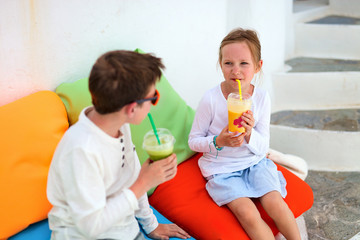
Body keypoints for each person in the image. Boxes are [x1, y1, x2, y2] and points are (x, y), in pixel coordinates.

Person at [47, 50, 190, 240]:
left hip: (126, 231)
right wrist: (144, 183)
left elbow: (131, 174)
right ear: (131, 109)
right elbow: (90, 227)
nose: (154, 103)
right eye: (153, 97)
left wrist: (151, 224)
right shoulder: (81, 150)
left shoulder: (120, 124)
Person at [188, 28, 300, 240]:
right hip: (222, 169)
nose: (235, 71)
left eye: (244, 63)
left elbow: (262, 146)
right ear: (220, 65)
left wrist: (249, 134)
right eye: (228, 63)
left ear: (258, 67)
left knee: (275, 203)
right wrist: (218, 141)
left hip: (255, 162)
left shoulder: (261, 98)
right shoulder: (210, 99)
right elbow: (194, 141)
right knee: (247, 213)